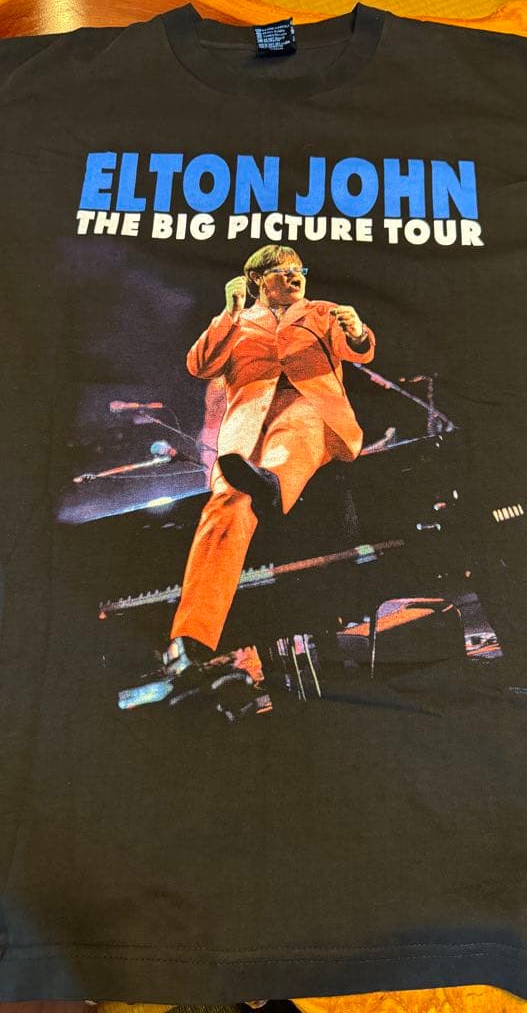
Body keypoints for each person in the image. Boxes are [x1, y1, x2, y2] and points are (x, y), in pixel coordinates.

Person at [143, 243, 376, 707]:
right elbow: (199, 365)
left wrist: (357, 330)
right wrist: (229, 314)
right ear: (256, 281)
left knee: (297, 430)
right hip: (246, 436)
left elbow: (358, 351)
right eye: (282, 272)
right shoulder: (236, 322)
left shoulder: (321, 312)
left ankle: (273, 483)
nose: (294, 277)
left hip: (311, 412)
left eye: (298, 270)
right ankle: (189, 643)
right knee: (226, 505)